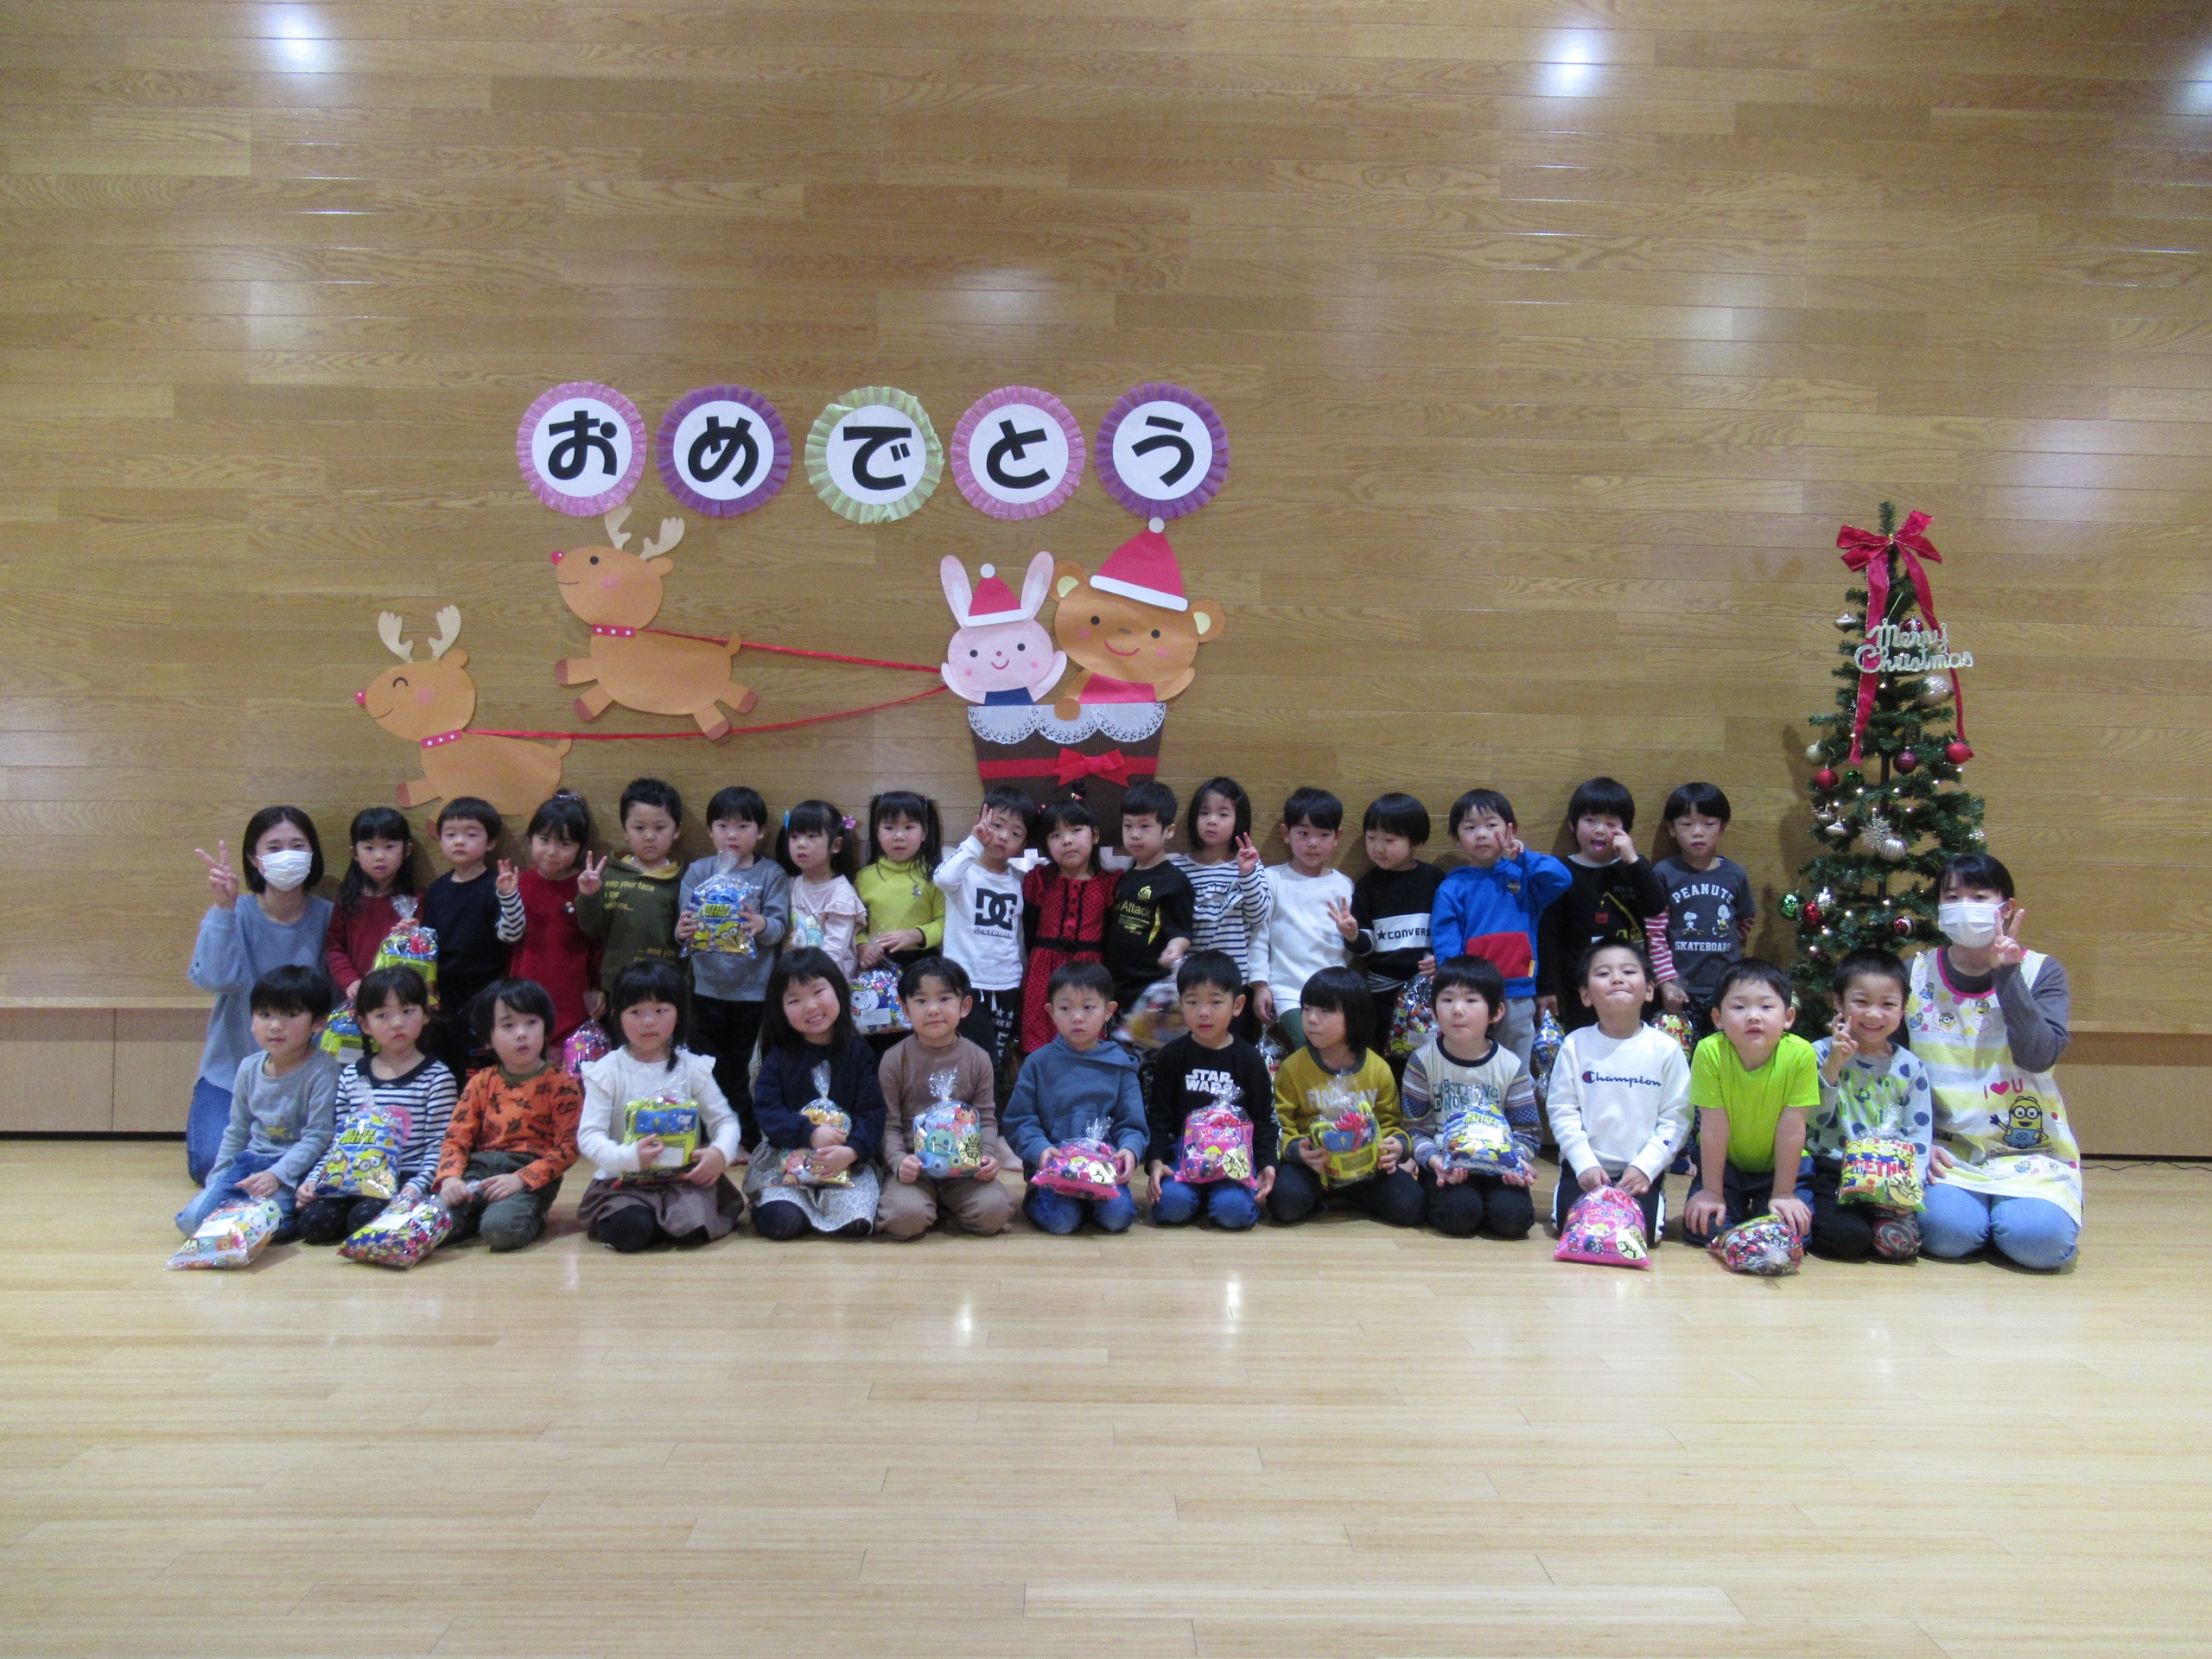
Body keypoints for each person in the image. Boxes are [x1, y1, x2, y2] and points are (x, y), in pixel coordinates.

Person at [1910, 853, 2081, 1269]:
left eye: (1979, 896)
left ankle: (2013, 1217)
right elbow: (1894, 1071)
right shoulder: (1913, 973)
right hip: (1946, 1150)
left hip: (2031, 1151)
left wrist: (2007, 974)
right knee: (1948, 1236)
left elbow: (2037, 1057)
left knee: (2038, 1244)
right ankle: (1981, 1217)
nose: (1964, 906)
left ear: (2006, 908)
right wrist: (1917, 1142)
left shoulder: (2042, 971)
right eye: (1952, 896)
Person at [186, 805, 334, 1181]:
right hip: (233, 1073)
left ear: (313, 854)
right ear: (254, 858)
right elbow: (213, 979)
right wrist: (223, 908)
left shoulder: (331, 917)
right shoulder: (233, 913)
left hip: (308, 1077)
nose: (287, 855)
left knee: (318, 1161)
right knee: (210, 1163)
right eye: (274, 847)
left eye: (298, 846)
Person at [575, 957, 742, 1252]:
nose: (649, 1021)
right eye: (636, 1011)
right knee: (631, 1231)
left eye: (660, 1010)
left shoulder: (693, 1068)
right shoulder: (607, 1071)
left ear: (679, 1014)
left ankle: (666, 1220)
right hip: (624, 1181)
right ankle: (641, 1219)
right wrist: (627, 1157)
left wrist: (719, 1153)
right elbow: (589, 1135)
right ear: (616, 1016)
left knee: (693, 1229)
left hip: (683, 1180)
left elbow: (724, 1121)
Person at [175, 963, 339, 1239]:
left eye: (291, 1015)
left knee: (264, 1227)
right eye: (265, 1015)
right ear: (252, 1022)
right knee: (193, 1221)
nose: (275, 1026)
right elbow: (237, 1130)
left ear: (318, 1023)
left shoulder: (324, 1071)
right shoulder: (249, 1068)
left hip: (293, 1169)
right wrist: (217, 1180)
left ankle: (285, 1216)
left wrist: (277, 1175)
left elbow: (317, 1137)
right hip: (250, 1162)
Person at [296, 965, 457, 1245]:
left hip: (406, 1177)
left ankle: (403, 1220)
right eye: (383, 1015)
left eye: (407, 1011)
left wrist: (415, 1187)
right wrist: (316, 1179)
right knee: (313, 1223)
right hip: (353, 1175)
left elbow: (439, 1147)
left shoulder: (437, 1077)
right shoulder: (351, 1074)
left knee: (364, 1219)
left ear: (425, 1014)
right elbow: (339, 1142)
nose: (397, 1023)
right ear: (365, 1024)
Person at [1543, 942, 1690, 1243]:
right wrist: (1583, 1163)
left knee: (1644, 1233)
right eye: (1603, 973)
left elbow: (1677, 1118)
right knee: (1571, 1226)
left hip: (1638, 1172)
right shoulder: (1575, 1045)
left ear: (1649, 990)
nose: (1617, 979)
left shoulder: (1666, 1049)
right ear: (1586, 995)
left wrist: (1646, 1167)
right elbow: (1562, 1110)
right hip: (1586, 1168)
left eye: (1628, 971)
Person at [746, 949, 887, 1240]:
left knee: (856, 1226)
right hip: (785, 1159)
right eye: (794, 1000)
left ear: (838, 989)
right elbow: (767, 1110)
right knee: (781, 1222)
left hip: (845, 1161)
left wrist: (852, 1151)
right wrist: (809, 1133)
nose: (810, 1006)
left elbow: (872, 1113)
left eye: (818, 991)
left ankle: (830, 1207)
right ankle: (783, 1207)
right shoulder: (779, 1056)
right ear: (780, 1009)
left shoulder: (858, 1053)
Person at [1267, 966, 1423, 1228]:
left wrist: (1397, 1146)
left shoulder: (1378, 1069)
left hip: (1368, 1168)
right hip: (1314, 1168)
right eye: (1306, 1009)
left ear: (1355, 1016)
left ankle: (1351, 1197)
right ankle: (1328, 1196)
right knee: (1284, 1202)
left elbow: (1391, 1123)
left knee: (1412, 1206)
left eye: (1325, 1011)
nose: (1311, 1019)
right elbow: (1281, 1124)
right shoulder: (1293, 1068)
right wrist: (1298, 1150)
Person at [435, 977, 582, 1253]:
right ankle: (474, 1216)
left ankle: (518, 1216)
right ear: (488, 1038)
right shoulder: (480, 1082)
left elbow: (569, 1148)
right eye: (508, 1025)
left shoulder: (561, 1083)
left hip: (528, 1175)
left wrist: (521, 1178)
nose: (522, 1034)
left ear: (546, 1028)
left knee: (500, 1231)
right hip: (479, 1171)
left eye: (531, 1022)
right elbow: (456, 1138)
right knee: (433, 1223)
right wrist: (450, 1178)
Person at [676, 785, 789, 1144]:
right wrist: (682, 932)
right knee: (706, 1067)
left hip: (754, 994)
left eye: (743, 826)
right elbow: (683, 927)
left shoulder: (771, 875)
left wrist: (761, 924)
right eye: (723, 826)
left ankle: (744, 1138)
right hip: (706, 989)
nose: (732, 835)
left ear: (761, 832)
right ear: (710, 832)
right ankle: (712, 1136)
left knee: (745, 1069)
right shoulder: (698, 872)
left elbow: (779, 928)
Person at [1806, 950, 1935, 1262]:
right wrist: (1834, 1065)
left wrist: (1910, 1186)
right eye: (1862, 1002)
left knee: (1900, 1247)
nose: (1874, 1015)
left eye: (1888, 1004)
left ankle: (1878, 1222)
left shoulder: (1911, 1067)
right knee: (1848, 1239)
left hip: (1887, 1175)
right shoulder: (1817, 1053)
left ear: (1903, 1008)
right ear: (1839, 1003)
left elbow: (1919, 1133)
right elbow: (1813, 1119)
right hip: (1830, 1168)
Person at [1002, 962, 1147, 1235]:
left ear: (1108, 1011)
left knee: (1118, 1219)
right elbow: (1019, 1120)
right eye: (1066, 1008)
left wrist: (1129, 1149)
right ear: (1051, 1012)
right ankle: (1038, 1197)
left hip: (1104, 1171)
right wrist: (1040, 1150)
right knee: (1062, 1222)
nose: (1077, 1017)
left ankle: (1090, 1205)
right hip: (1054, 1171)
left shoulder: (1120, 1064)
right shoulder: (1038, 1063)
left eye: (1088, 1007)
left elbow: (1132, 1123)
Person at [1681, 960, 1819, 1249]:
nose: (1753, 1016)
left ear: (1788, 1017)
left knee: (1792, 1235)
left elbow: (1793, 1128)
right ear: (1718, 1018)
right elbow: (1713, 1127)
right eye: (1739, 1007)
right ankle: (1740, 1208)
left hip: (1780, 1166)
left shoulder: (1801, 1054)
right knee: (1705, 1228)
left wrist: (1783, 1194)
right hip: (1726, 1165)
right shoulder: (1710, 1052)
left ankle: (1762, 1207)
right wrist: (1711, 1191)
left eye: (1766, 1007)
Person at [1427, 789, 1568, 1066]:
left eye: (1491, 825)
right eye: (1470, 828)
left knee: (1516, 1065)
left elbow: (1561, 879)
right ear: (1456, 838)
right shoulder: (1452, 887)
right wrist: (1458, 987)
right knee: (1471, 1059)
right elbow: (1446, 944)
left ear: (1510, 830)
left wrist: (1523, 857)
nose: (1481, 834)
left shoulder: (1525, 876)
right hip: (1472, 996)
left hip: (1518, 992)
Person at [1402, 957, 1538, 1241]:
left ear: (1496, 1012)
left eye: (1471, 1000)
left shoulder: (1509, 1065)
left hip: (1499, 1165)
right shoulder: (1423, 1061)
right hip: (1446, 1165)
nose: (1457, 1010)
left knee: (1513, 1220)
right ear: (1434, 1010)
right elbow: (1415, 1129)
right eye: (1447, 1000)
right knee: (1460, 1215)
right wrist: (1435, 1161)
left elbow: (1527, 1130)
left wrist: (1516, 1160)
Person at [875, 957, 1011, 1240]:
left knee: (994, 1212)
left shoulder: (979, 1058)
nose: (933, 1009)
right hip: (914, 1168)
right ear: (904, 1009)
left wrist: (987, 1156)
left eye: (945, 998)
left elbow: (987, 1119)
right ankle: (929, 1203)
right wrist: (899, 1162)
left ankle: (945, 1204)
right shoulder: (894, 1059)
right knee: (904, 1218)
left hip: (965, 1168)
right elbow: (888, 1124)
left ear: (965, 1006)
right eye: (921, 1001)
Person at [1144, 950, 1277, 1230]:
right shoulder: (1172, 1055)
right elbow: (1158, 1118)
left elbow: (1263, 1119)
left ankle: (1217, 1197)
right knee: (1171, 1206)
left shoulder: (1249, 1059)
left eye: (1216, 1002)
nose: (1203, 1012)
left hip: (1234, 1157)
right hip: (1183, 1154)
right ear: (1181, 1003)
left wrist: (1267, 1163)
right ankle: (1196, 1195)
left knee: (1233, 1213)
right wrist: (1155, 1162)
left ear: (1237, 1005)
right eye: (1192, 1002)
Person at [1537, 778, 1674, 1035]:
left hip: (1632, 982)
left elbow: (1656, 907)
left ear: (1625, 831)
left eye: (1611, 824)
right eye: (1590, 820)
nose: (1600, 830)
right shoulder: (1560, 873)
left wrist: (1632, 860)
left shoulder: (1633, 866)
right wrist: (1546, 987)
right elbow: (1548, 936)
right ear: (1572, 824)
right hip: (1581, 986)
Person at [935, 786, 1033, 1090]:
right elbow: (942, 879)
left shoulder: (1018, 881)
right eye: (997, 825)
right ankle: (962, 1113)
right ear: (980, 821)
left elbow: (1017, 936)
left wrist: (1022, 976)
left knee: (995, 1061)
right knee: (968, 1058)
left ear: (1024, 843)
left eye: (1015, 833)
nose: (1003, 836)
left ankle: (987, 1115)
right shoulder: (962, 869)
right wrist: (974, 842)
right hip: (966, 982)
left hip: (1005, 984)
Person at [1254, 787, 1357, 1050]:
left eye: (1323, 835)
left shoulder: (1343, 885)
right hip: (1287, 992)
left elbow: (1347, 949)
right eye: (1303, 833)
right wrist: (1260, 985)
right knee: (1308, 1049)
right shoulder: (1271, 879)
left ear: (1337, 837)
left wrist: (1351, 934)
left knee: (1338, 1051)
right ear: (1286, 834)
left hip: (1334, 991)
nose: (1313, 843)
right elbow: (1258, 934)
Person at [500, 791, 603, 1047]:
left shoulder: (586, 885)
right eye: (544, 840)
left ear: (580, 848)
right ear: (531, 838)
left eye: (565, 844)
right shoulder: (519, 883)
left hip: (572, 994)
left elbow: (597, 942)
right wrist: (508, 896)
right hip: (525, 990)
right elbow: (507, 938)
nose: (551, 852)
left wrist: (598, 987)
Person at [1655, 782, 1755, 1036]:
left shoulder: (1734, 874)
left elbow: (1745, 919)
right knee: (1681, 1051)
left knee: (1724, 1050)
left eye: (1708, 824)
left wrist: (1723, 939)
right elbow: (1655, 935)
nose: (1697, 833)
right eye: (1687, 824)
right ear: (1671, 828)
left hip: (1726, 988)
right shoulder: (1664, 873)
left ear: (1722, 827)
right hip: (1680, 990)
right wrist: (1665, 984)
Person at [1348, 791, 1444, 1058]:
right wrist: (1352, 935)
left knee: (1432, 1055)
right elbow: (1365, 948)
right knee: (1390, 1056)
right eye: (1371, 838)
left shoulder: (1435, 880)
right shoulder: (1368, 885)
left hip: (1429, 987)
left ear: (1416, 842)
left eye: (1389, 840)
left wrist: (1443, 958)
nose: (1378, 848)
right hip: (1383, 992)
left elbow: (1452, 930)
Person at [420, 795, 510, 1074]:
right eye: (450, 834)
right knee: (444, 1061)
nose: (459, 841)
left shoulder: (496, 886)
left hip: (484, 990)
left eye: (471, 834)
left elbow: (508, 937)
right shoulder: (436, 889)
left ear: (491, 842)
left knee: (478, 1066)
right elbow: (428, 941)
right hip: (443, 994)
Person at [1019, 799, 1116, 1054]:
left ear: (1095, 835)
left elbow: (1111, 936)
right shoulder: (1039, 880)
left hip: (1090, 970)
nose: (1067, 841)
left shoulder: (1109, 884)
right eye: (1056, 835)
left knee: (1086, 1035)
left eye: (1076, 830)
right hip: (1043, 969)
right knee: (1039, 1033)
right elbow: (1028, 930)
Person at [1172, 776, 1272, 1024]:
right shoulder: (1179, 868)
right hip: (1192, 985)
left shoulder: (1250, 864)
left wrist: (1247, 874)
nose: (1212, 820)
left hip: (1234, 985)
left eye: (1223, 814)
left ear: (1239, 819)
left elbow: (1259, 917)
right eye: (1204, 812)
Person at [575, 777, 685, 996]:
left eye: (660, 827)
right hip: (616, 984)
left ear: (676, 831)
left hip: (664, 986)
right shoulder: (608, 874)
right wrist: (588, 896)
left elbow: (687, 942)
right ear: (625, 831)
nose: (649, 836)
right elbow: (592, 929)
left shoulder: (683, 880)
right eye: (639, 828)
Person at [1101, 780, 1194, 1016]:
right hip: (1116, 985)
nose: (1134, 835)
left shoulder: (1174, 881)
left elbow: (1181, 931)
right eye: (1128, 826)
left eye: (1144, 826)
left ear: (1168, 831)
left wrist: (1174, 950)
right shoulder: (1124, 875)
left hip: (1151, 989)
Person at [322, 805, 419, 1003]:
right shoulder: (348, 899)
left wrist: (414, 936)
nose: (379, 856)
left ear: (407, 850)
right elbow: (335, 947)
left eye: (389, 846)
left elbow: (426, 955)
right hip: (357, 997)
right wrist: (350, 981)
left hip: (402, 997)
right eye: (369, 848)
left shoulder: (416, 901)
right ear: (355, 853)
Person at [855, 790, 946, 974]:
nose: (899, 836)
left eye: (909, 827)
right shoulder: (864, 877)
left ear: (924, 832)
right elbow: (855, 925)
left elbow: (944, 921)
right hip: (879, 964)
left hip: (924, 963)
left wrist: (915, 935)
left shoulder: (936, 876)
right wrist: (862, 946)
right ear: (877, 832)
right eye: (889, 828)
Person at [776, 798, 868, 979]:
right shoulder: (791, 884)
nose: (801, 844)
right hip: (795, 977)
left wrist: (807, 978)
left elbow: (834, 951)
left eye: (812, 836)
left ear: (835, 845)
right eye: (794, 836)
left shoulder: (842, 894)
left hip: (828, 980)